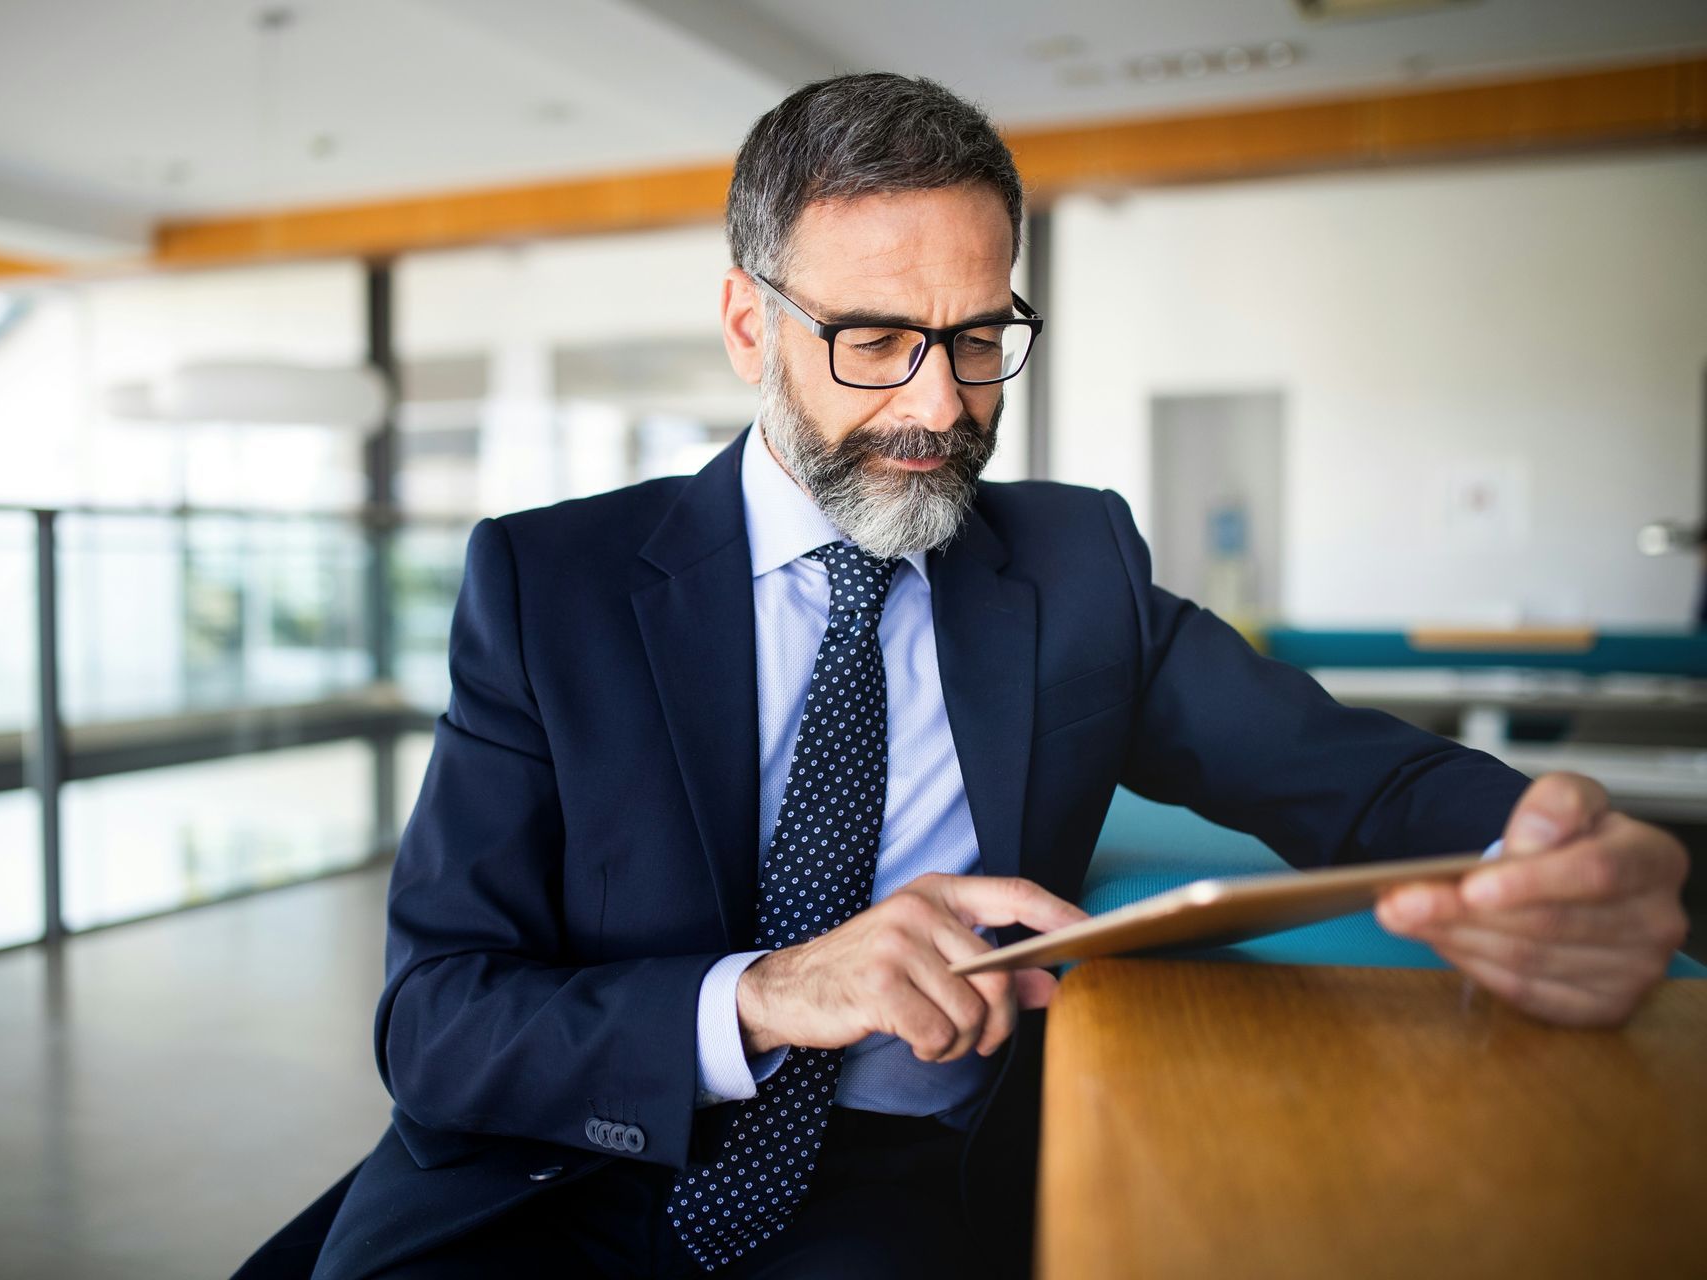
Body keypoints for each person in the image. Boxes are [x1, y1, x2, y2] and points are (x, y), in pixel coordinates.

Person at [235, 73, 1690, 1280]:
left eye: (981, 340)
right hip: (550, 1180)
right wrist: (768, 992)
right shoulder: (550, 585)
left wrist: (1548, 848)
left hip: (897, 1193)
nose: (940, 406)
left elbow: (1353, 776)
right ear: (752, 325)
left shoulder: (1076, 568)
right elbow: (437, 1022)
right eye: (875, 340)